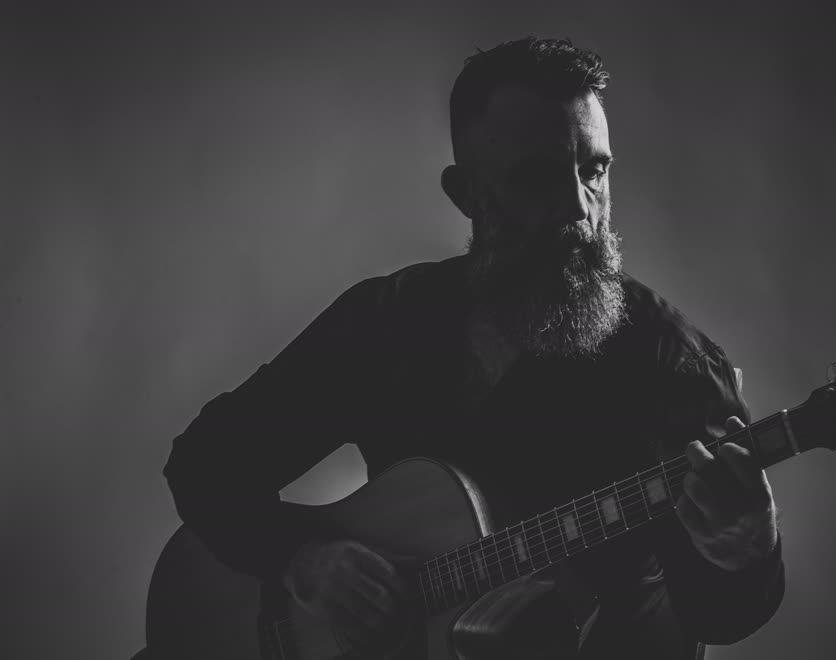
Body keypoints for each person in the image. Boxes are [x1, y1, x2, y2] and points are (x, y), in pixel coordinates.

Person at [164, 36, 784, 659]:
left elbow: (719, 615)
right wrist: (304, 561)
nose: (578, 209)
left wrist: (748, 548)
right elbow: (205, 466)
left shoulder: (671, 365)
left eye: (594, 171)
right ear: (465, 192)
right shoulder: (389, 321)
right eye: (537, 175)